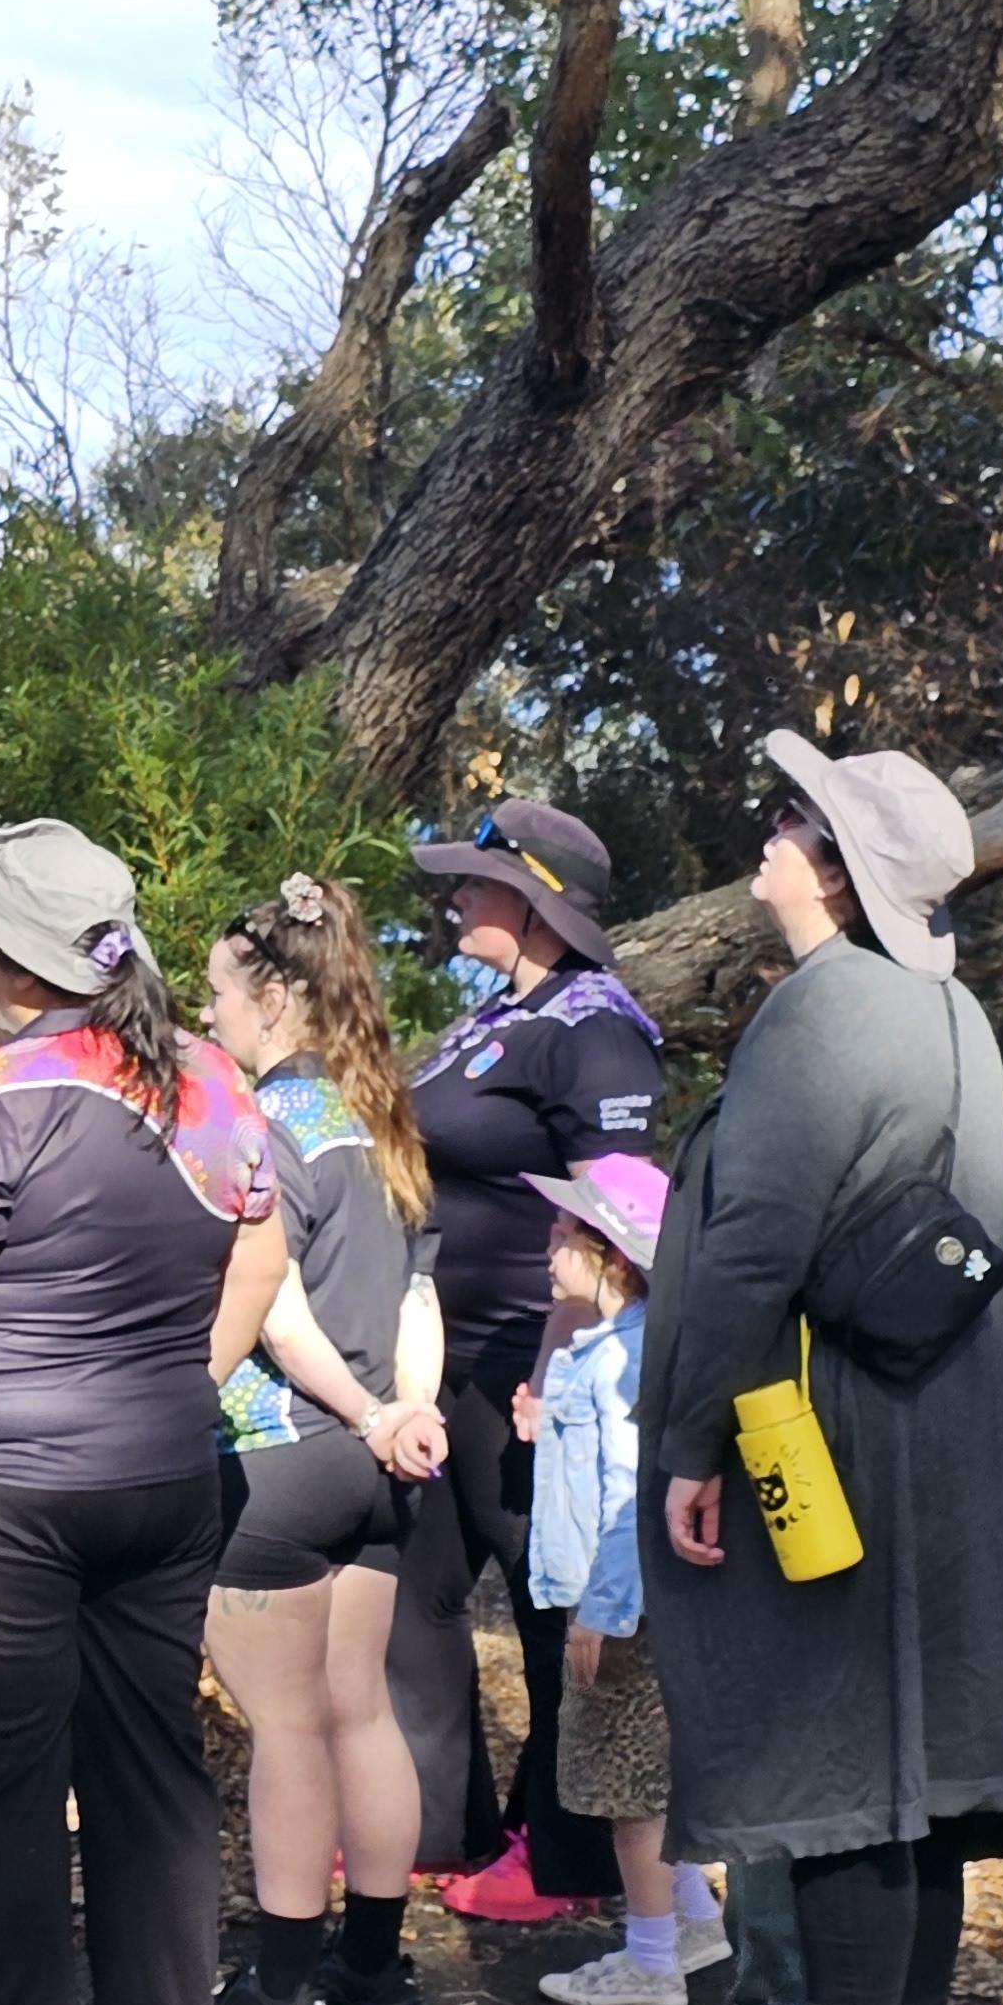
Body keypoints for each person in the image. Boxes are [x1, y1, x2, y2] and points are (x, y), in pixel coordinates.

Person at [645, 733, 1003, 2005]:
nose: (762, 836)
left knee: (836, 1769)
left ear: (830, 868)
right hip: (945, 1443)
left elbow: (753, 1249)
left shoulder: (826, 1012)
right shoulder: (946, 1011)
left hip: (827, 1442)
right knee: (915, 1784)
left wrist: (692, 1444)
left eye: (786, 819)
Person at [0, 819, 286, 2005]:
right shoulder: (212, 1083)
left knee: (5, 1776)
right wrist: (181, 1380)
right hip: (166, 1469)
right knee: (153, 1763)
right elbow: (260, 1266)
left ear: (0, 959)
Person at [394, 800, 664, 1921]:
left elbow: (620, 1218)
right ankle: (432, 1820)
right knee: (419, 1594)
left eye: (473, 879)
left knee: (556, 1607)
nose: (452, 897)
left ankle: (568, 1853)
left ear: (536, 897)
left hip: (528, 1354)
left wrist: (561, 1364)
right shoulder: (492, 1018)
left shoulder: (597, 1027)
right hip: (441, 1354)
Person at [200, 872, 451, 2005]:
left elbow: (275, 1313)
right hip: (375, 1467)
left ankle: (278, 1986)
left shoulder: (260, 1127)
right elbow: (417, 1292)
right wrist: (410, 1414)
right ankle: (376, 1966)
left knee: (287, 1726)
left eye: (217, 998)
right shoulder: (382, 1122)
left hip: (281, 1453)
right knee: (362, 1712)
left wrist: (357, 1413)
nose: (207, 1021)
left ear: (278, 1003)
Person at [518, 1161, 731, 2005]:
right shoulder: (617, 1349)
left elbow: (625, 1497)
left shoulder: (622, 1360)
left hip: (624, 1604)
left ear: (609, 1255)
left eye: (564, 1236)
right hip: (638, 1597)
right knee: (648, 1768)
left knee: (624, 1782)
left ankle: (650, 1959)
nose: (549, 1250)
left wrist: (599, 1613)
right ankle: (689, 1920)